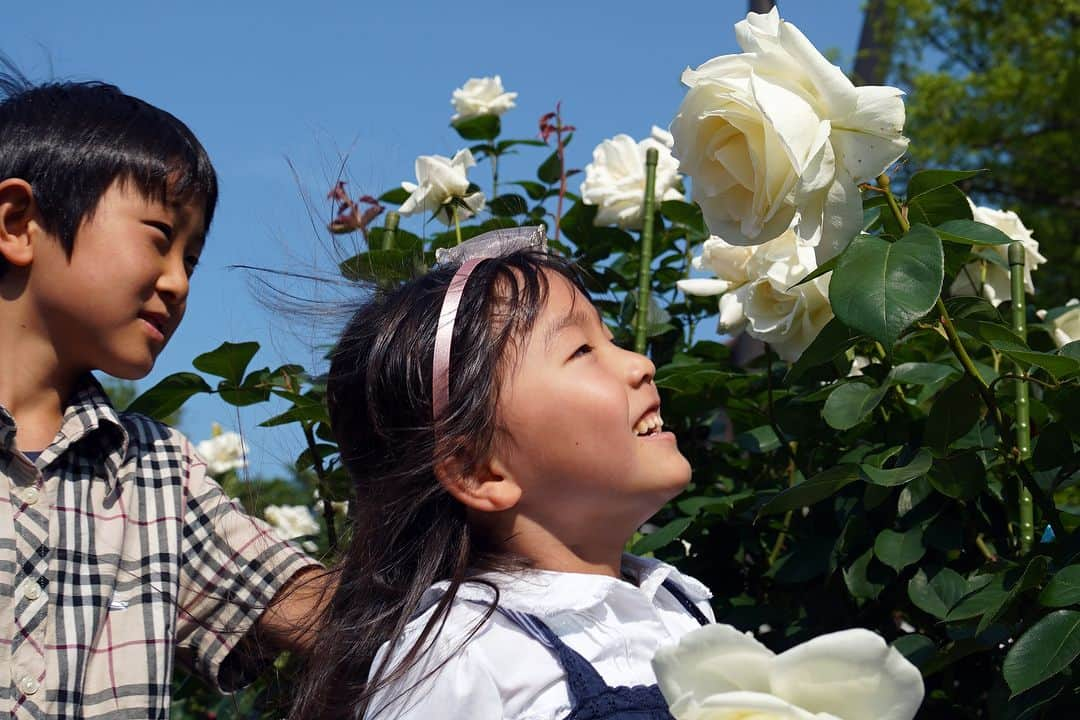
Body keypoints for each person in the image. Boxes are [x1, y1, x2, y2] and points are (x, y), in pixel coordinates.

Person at [0, 64, 328, 718]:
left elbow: (316, 610)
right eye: (160, 240)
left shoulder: (156, 477)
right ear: (16, 223)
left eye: (193, 259)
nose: (178, 283)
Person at [291, 230, 713, 719]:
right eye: (581, 350)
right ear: (479, 472)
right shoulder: (465, 660)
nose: (642, 364)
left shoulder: (679, 605)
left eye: (610, 339)